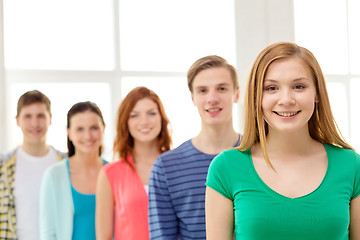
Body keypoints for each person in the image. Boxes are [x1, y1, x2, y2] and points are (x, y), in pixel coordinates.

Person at [205, 42, 360, 239]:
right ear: (256, 97)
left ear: (317, 94)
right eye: (271, 88)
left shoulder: (351, 165)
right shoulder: (226, 167)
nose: (286, 99)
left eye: (299, 86)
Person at [149, 55, 242, 239]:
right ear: (192, 97)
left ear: (236, 94)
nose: (212, 98)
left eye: (222, 88)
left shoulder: (261, 155)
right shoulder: (166, 166)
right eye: (202, 91)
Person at [96, 86, 172, 240]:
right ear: (126, 122)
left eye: (151, 113)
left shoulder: (177, 166)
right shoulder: (109, 174)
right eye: (135, 115)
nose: (144, 122)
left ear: (161, 119)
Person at [0, 90, 66, 240]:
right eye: (28, 116)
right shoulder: (3, 166)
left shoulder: (66, 164)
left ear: (50, 119)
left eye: (40, 116)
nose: (35, 123)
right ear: (17, 120)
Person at [39, 101, 107, 240]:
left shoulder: (114, 173)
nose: (88, 136)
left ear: (103, 129)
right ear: (69, 133)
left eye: (94, 128)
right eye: (80, 129)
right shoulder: (54, 175)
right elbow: (48, 233)